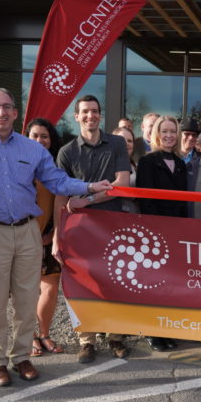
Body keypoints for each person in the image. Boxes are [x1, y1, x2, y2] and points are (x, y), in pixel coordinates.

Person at [0, 88, 111, 387]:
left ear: (16, 114)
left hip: (27, 231)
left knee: (28, 299)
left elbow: (57, 181)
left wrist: (91, 187)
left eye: (8, 107)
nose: (2, 112)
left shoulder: (33, 150)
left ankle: (21, 356)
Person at [54, 94, 132, 364]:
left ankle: (116, 337)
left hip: (112, 227)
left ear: (101, 115)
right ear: (76, 117)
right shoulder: (66, 152)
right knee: (81, 285)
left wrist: (86, 200)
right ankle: (86, 340)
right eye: (85, 112)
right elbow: (60, 197)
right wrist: (56, 237)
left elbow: (122, 184)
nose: (91, 116)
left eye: (95, 111)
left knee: (115, 281)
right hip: (78, 232)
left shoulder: (118, 143)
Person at [137, 115, 188, 351]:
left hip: (177, 231)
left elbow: (185, 201)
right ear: (156, 134)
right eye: (164, 131)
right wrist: (155, 231)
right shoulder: (148, 161)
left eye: (173, 131)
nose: (169, 135)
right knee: (153, 284)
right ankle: (151, 331)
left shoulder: (181, 163)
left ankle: (165, 329)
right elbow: (145, 201)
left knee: (170, 285)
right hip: (155, 233)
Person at [25, 118, 64, 358]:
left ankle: (44, 333)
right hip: (23, 239)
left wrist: (53, 233)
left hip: (49, 238)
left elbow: (60, 201)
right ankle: (28, 337)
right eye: (35, 136)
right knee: (26, 292)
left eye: (45, 136)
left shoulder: (55, 168)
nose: (40, 140)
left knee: (50, 291)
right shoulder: (18, 165)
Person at [112, 126, 139, 213]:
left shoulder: (138, 167)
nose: (126, 143)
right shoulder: (104, 164)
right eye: (122, 140)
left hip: (133, 217)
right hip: (110, 215)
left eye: (130, 141)